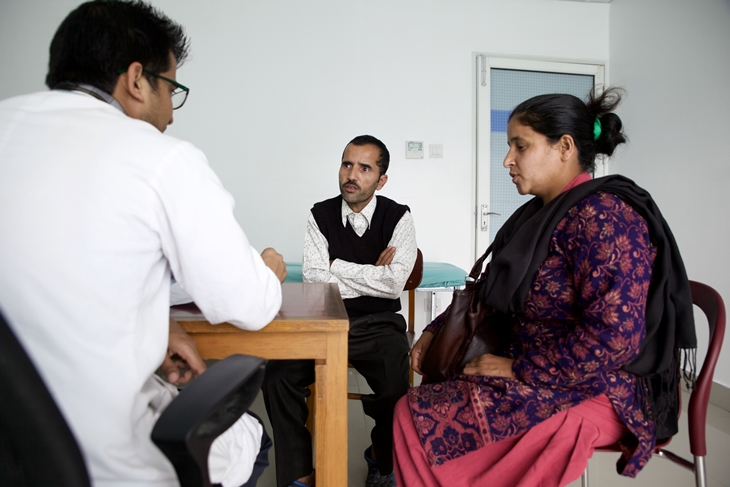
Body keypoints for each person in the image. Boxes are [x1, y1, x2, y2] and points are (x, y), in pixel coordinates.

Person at [0, 1, 287, 486]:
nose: (171, 115)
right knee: (250, 436)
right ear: (137, 80)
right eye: (171, 89)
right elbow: (250, 304)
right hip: (97, 458)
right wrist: (269, 269)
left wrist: (154, 324)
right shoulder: (160, 159)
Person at [397, 88, 696, 486]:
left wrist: (519, 369)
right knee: (414, 408)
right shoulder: (539, 216)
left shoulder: (604, 217)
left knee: (419, 419)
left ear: (565, 147)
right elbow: (489, 289)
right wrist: (435, 330)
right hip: (541, 370)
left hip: (600, 386)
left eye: (520, 146)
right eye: (509, 147)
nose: (507, 160)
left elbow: (615, 337)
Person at [262, 135, 417, 487]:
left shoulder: (399, 217)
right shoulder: (320, 214)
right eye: (347, 164)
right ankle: (300, 475)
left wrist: (338, 267)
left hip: (379, 323)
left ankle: (382, 459)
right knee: (277, 378)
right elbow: (317, 279)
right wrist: (368, 273)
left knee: (395, 387)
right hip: (323, 316)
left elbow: (393, 285)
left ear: (381, 180)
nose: (352, 174)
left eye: (365, 168)